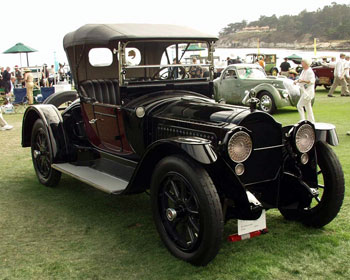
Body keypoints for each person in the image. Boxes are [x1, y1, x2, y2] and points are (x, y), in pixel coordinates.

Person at [295, 58, 316, 123]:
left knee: (299, 105)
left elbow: (312, 81)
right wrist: (296, 81)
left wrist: (303, 81)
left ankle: (302, 120)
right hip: (304, 90)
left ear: (306, 63)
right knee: (308, 106)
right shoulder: (303, 70)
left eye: (302, 62)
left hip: (308, 92)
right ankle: (311, 121)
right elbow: (300, 79)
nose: (301, 63)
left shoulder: (309, 71)